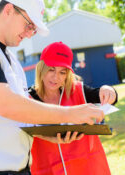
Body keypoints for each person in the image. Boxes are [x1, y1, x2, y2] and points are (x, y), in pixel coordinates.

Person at [0, 0, 111, 174]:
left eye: (33, 29)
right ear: (9, 10)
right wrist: (71, 113)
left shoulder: (9, 59)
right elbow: (7, 105)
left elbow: (15, 117)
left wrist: (44, 133)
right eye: (29, 24)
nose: (30, 34)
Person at [29, 42, 117, 175]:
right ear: (41, 68)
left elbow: (106, 96)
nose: (55, 77)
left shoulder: (78, 90)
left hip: (87, 167)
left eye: (62, 72)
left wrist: (110, 90)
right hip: (46, 168)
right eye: (51, 69)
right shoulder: (28, 99)